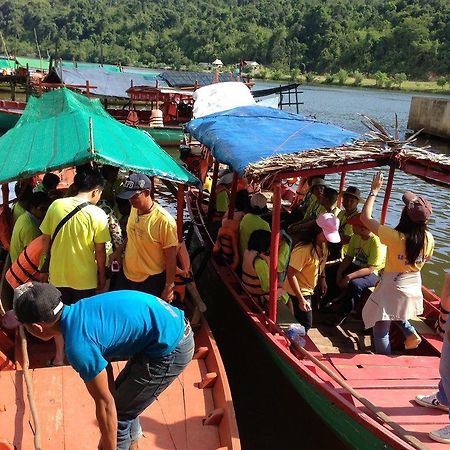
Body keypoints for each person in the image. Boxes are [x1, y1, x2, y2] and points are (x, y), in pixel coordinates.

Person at [12, 282, 194, 450]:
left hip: (171, 347)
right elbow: (107, 382)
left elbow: (106, 405)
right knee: (124, 401)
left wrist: (107, 446)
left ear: (37, 327)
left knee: (120, 416)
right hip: (165, 327)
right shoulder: (81, 309)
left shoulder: (78, 347)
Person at [360, 172, 434, 354]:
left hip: (393, 287)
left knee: (380, 330)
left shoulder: (395, 237)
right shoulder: (429, 238)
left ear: (405, 216)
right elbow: (428, 258)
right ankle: (410, 332)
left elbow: (365, 218)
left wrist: (374, 191)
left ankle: (383, 361)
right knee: (395, 310)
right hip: (413, 286)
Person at [40, 167, 110, 304]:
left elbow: (45, 241)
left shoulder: (56, 205)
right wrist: (102, 275)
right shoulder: (98, 214)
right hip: (85, 280)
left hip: (57, 276)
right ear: (96, 191)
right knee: (82, 318)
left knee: (60, 317)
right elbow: (100, 251)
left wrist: (43, 268)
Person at [112, 173, 178, 302]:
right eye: (128, 197)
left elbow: (171, 257)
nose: (131, 200)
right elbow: (131, 234)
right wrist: (118, 252)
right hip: (127, 273)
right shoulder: (134, 208)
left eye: (134, 197)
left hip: (150, 279)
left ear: (147, 192)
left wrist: (169, 286)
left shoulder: (164, 221)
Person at [284, 213, 341, 332]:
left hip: (309, 288)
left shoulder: (323, 246)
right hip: (297, 291)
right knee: (306, 323)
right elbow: (291, 273)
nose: (327, 238)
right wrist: (300, 299)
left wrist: (322, 278)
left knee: (303, 322)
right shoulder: (303, 249)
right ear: (317, 230)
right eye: (325, 234)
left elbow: (322, 264)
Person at [332, 213, 385, 323]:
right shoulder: (356, 237)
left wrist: (348, 277)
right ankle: (332, 300)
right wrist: (339, 273)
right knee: (333, 270)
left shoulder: (376, 242)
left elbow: (370, 268)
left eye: (354, 226)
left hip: (375, 273)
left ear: (361, 228)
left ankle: (342, 314)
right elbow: (348, 257)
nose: (352, 228)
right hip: (359, 265)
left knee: (355, 284)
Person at [241, 229, 291, 310]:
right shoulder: (260, 262)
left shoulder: (248, 252)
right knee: (287, 294)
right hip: (257, 296)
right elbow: (267, 287)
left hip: (247, 289)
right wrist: (282, 284)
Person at [9, 192, 50, 262]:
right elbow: (35, 256)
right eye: (42, 209)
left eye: (48, 209)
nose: (45, 212)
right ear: (32, 207)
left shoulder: (23, 217)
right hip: (23, 269)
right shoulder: (31, 228)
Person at [239, 192, 270, 257]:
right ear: (265, 207)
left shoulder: (245, 217)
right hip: (253, 259)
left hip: (242, 253)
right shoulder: (265, 225)